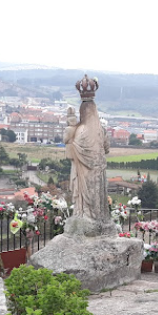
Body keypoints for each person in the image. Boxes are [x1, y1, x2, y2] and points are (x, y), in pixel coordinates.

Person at [64, 75, 110, 223]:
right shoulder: (101, 130)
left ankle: (85, 217)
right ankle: (99, 218)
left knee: (85, 200)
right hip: (98, 171)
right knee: (98, 195)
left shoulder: (81, 130)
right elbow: (106, 149)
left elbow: (73, 149)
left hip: (84, 173)